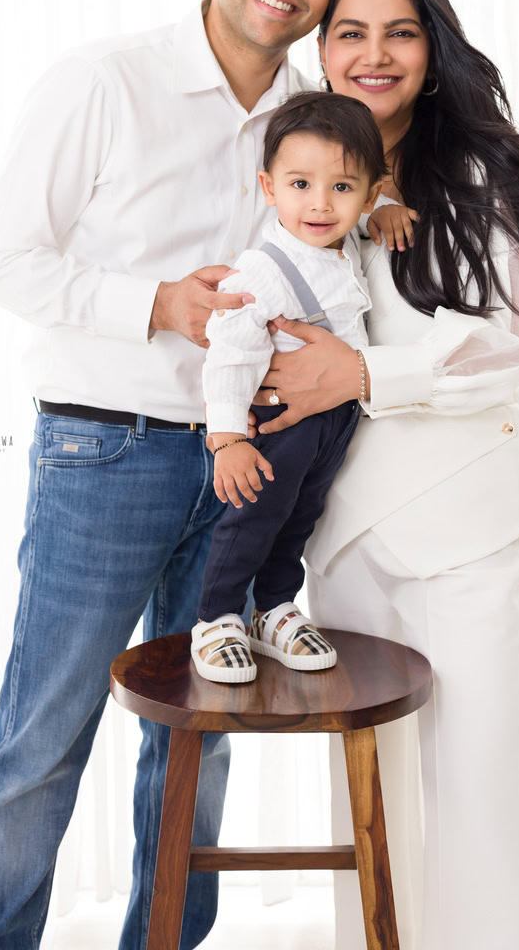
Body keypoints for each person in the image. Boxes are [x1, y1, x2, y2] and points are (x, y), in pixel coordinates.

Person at [0, 0, 368, 950]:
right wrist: (153, 305)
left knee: (200, 734)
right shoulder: (104, 80)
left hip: (253, 460)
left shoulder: (308, 117)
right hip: (108, 450)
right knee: (44, 732)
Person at [248, 0, 519, 950]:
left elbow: (513, 339)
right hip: (346, 534)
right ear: (320, 45)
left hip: (467, 524)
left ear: (431, 51)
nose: (373, 53)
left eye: (399, 31)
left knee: (475, 788)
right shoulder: (309, 169)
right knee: (375, 804)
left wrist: (357, 376)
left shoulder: (481, 171)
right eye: (349, 31)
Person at [192, 90, 384, 681]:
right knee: (253, 518)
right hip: (279, 427)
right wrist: (227, 438)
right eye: (300, 184)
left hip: (335, 422)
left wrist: (388, 214)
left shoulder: (346, 241)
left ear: (369, 192)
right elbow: (228, 355)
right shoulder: (263, 270)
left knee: (301, 518)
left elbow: (367, 217)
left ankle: (273, 609)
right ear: (269, 187)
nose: (320, 204)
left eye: (342, 188)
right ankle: (217, 617)